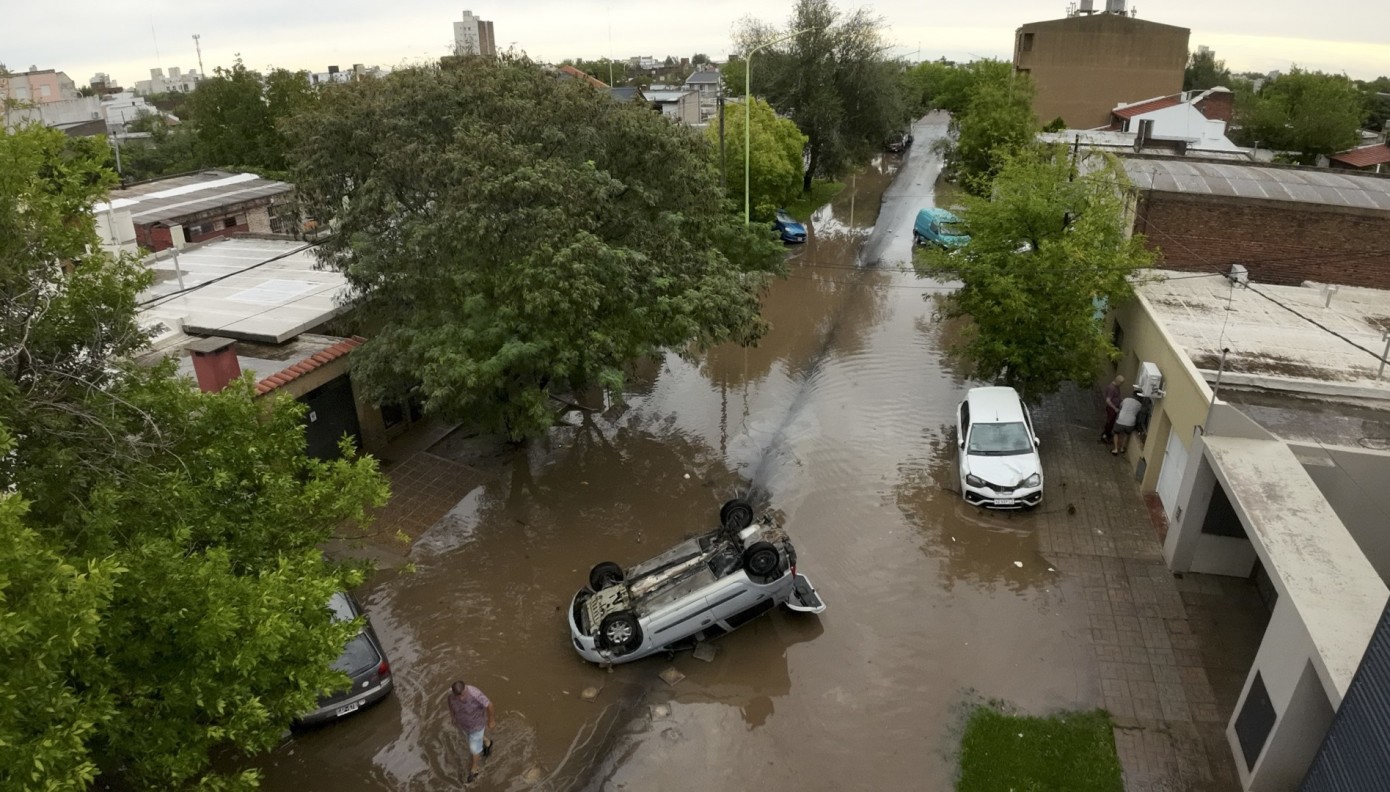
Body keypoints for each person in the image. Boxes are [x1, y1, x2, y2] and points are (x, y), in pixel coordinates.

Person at [448, 681, 495, 783]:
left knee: (474, 748)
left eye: (463, 695)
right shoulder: (451, 695)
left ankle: (474, 769)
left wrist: (491, 720)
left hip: (477, 725)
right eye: (458, 696)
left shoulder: (475, 694)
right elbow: (450, 702)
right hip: (463, 724)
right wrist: (452, 716)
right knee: (470, 738)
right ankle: (487, 742)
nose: (460, 698)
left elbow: (489, 705)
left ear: (465, 689)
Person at [1112, 387, 1144, 456]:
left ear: (1133, 395)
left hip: (1120, 420)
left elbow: (1120, 407)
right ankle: (1122, 448)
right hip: (1130, 422)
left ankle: (1115, 449)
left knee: (1116, 433)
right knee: (1126, 434)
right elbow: (1139, 414)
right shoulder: (1139, 405)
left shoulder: (1126, 400)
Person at [1101, 374, 1124, 443]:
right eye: (1121, 383)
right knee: (1110, 421)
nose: (1121, 385)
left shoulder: (1116, 387)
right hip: (1112, 408)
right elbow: (1108, 400)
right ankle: (1105, 434)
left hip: (1115, 407)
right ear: (1118, 381)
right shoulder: (1112, 388)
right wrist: (1115, 408)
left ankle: (1108, 433)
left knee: (1112, 421)